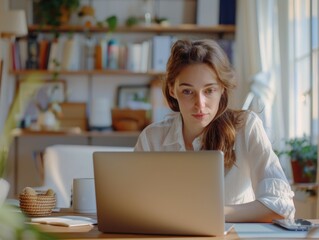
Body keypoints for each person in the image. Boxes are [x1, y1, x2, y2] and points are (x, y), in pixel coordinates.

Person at [134, 39, 295, 222]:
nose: (200, 104)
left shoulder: (246, 127)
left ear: (222, 89)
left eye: (209, 90)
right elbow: (132, 204)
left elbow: (281, 206)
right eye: (188, 91)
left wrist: (211, 213)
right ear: (172, 90)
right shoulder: (151, 138)